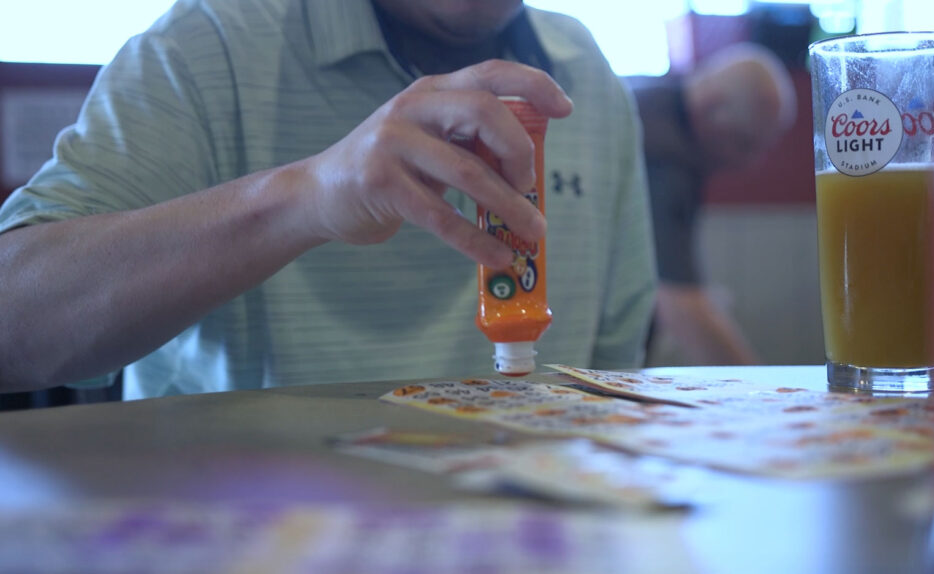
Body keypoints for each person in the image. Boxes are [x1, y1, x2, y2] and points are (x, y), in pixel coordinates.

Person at [0, 0, 656, 399]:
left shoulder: (588, 74)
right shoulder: (206, 44)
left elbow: (617, 367)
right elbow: (14, 326)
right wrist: (305, 198)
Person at [630, 43, 796, 366]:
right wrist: (762, 396)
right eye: (744, 144)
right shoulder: (664, 154)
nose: (748, 165)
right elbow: (679, 303)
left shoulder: (654, 107)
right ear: (710, 105)